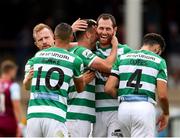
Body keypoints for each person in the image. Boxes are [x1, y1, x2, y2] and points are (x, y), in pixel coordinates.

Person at [25, 23, 85, 137]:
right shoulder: (74, 59)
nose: (44, 42)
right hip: (55, 115)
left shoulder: (34, 60)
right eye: (40, 39)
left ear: (54, 37)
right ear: (36, 44)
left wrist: (69, 31)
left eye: (46, 38)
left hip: (33, 116)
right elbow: (80, 88)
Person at [105, 33, 169, 137]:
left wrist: (125, 93)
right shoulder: (159, 61)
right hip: (144, 107)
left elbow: (108, 88)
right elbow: (162, 96)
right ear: (157, 49)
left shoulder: (122, 58)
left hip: (123, 108)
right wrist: (166, 113)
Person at [66, 19, 118, 137]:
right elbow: (108, 66)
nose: (100, 34)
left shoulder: (75, 49)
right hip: (77, 115)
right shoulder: (81, 51)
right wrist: (115, 46)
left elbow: (62, 44)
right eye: (96, 32)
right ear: (88, 34)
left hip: (80, 115)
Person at [92, 13, 132, 137]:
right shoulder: (89, 50)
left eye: (108, 29)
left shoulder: (126, 51)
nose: (104, 32)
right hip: (95, 111)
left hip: (117, 110)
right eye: (101, 28)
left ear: (115, 30)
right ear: (96, 29)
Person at [0, 60, 24, 137]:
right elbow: (16, 107)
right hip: (9, 123)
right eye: (14, 71)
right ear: (10, 71)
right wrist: (20, 124)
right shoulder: (13, 86)